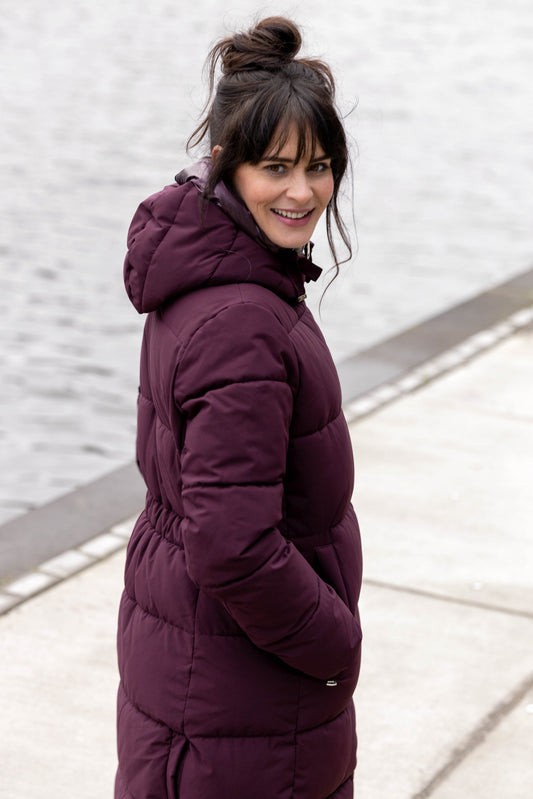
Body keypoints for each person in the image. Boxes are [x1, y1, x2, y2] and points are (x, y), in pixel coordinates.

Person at [116, 16, 363, 799]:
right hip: (245, 695)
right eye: (277, 167)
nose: (303, 191)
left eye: (319, 166)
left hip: (203, 668)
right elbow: (231, 542)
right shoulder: (244, 324)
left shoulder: (210, 274)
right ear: (227, 165)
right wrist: (332, 641)